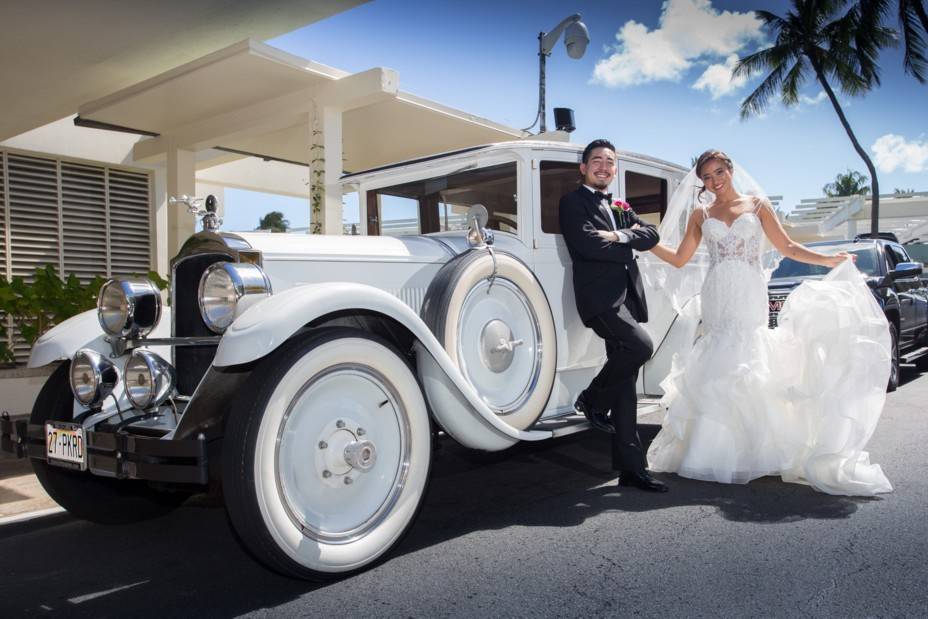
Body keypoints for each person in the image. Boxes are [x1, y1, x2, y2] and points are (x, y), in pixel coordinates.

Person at [642, 149, 893, 496]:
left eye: (719, 173)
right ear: (702, 182)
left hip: (748, 291)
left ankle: (759, 450)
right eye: (707, 177)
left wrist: (829, 259)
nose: (715, 181)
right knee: (718, 361)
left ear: (730, 170)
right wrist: (647, 239)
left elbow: (787, 247)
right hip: (717, 292)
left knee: (749, 357)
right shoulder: (701, 214)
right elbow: (681, 258)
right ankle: (710, 451)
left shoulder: (757, 205)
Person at [558, 139, 668, 493]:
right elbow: (587, 244)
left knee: (626, 388)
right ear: (584, 167)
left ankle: (632, 469)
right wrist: (625, 243)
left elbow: (651, 234)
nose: (603, 166)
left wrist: (621, 234)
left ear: (615, 169)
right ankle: (591, 399)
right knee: (641, 346)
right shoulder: (572, 202)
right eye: (596, 161)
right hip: (600, 301)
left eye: (609, 162)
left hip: (625, 300)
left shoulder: (619, 205)